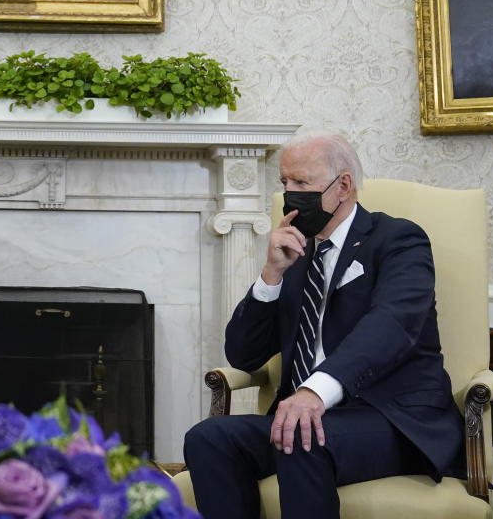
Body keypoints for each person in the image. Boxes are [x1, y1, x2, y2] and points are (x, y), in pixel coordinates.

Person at [183, 131, 464, 519]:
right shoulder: (295, 254)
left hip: (393, 419)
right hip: (308, 419)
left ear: (343, 186)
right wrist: (270, 276)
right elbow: (243, 355)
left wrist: (314, 392)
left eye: (301, 183)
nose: (289, 193)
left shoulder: (398, 239)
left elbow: (392, 325)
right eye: (284, 183)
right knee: (208, 437)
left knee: (303, 435)